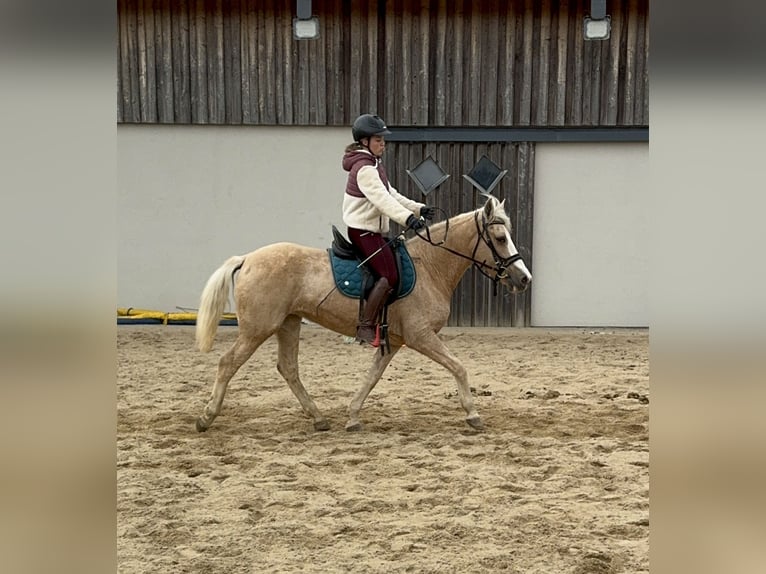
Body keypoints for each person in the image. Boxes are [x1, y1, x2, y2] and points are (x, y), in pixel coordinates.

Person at [342, 113, 435, 346]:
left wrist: (418, 208)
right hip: (363, 231)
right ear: (364, 141)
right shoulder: (364, 168)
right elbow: (381, 200)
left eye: (383, 140)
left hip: (374, 231)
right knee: (389, 275)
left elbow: (391, 194)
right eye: (378, 139)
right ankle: (365, 327)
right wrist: (408, 220)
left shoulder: (374, 164)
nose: (383, 143)